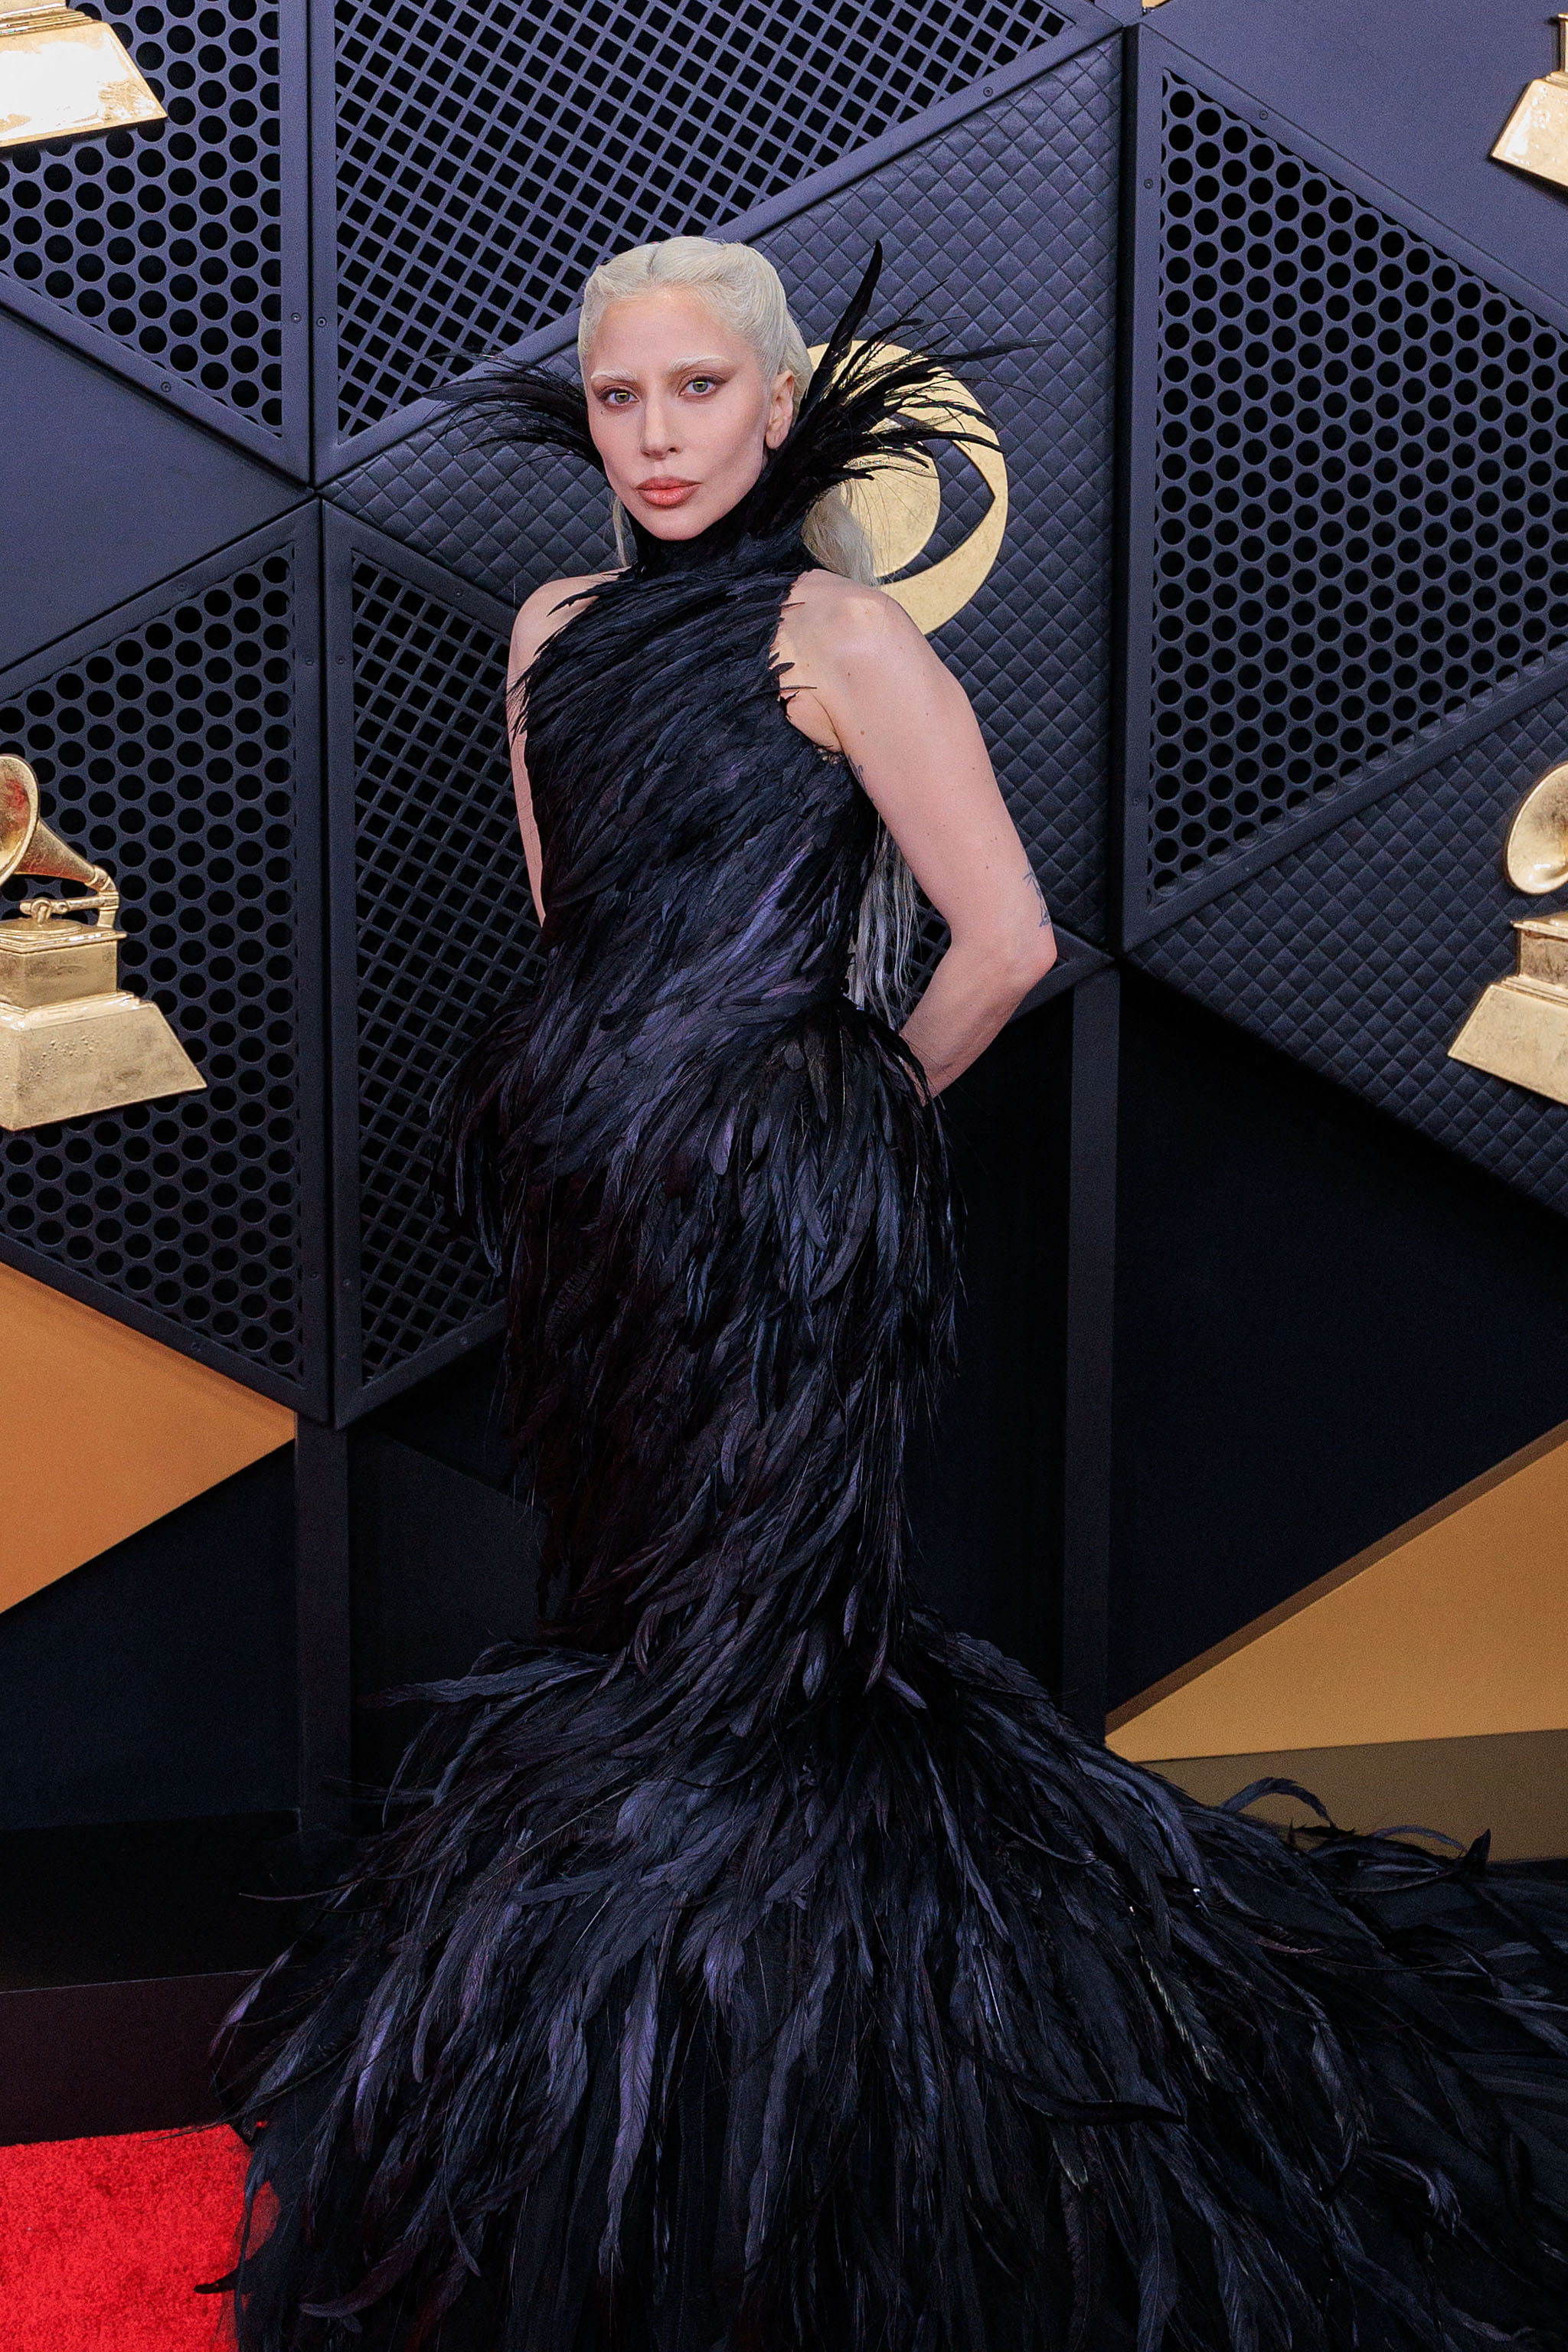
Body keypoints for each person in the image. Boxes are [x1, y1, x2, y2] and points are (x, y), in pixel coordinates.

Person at [217, 237, 1568, 2350]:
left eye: (697, 392)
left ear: (779, 405)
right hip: (591, 1217)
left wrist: (829, 1123)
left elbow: (1004, 937)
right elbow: (583, 929)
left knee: (754, 1668)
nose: (657, 436)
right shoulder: (553, 629)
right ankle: (628, 2124)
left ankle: (794, 2135)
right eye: (619, 398)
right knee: (626, 1620)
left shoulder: (841, 630)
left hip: (778, 1236)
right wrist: (616, 1119)